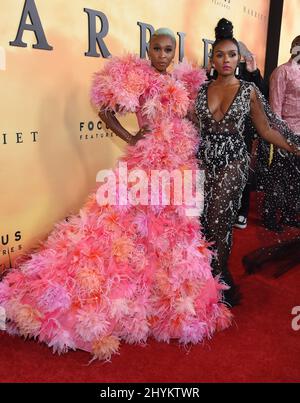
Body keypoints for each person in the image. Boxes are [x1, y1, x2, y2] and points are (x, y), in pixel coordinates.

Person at [0, 29, 232, 362]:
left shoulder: (186, 82)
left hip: (178, 167)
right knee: (126, 230)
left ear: (174, 51)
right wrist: (130, 136)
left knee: (173, 234)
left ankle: (161, 300)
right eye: (157, 48)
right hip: (145, 165)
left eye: (169, 49)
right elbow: (104, 108)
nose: (163, 54)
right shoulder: (134, 76)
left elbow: (191, 119)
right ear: (148, 49)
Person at [195, 19, 300, 306]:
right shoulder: (200, 91)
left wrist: (294, 147)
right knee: (201, 222)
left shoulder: (247, 91)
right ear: (212, 59)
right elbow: (190, 127)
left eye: (231, 54)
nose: (226, 60)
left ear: (239, 58)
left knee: (219, 220)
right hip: (202, 162)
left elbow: (266, 129)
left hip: (234, 161)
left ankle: (220, 279)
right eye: (220, 55)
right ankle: (200, 276)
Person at [262, 35, 300, 231]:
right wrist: (284, 137)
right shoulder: (281, 72)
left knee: (296, 179)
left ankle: (289, 214)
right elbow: (274, 110)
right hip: (284, 134)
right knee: (278, 177)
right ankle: (270, 217)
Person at [234, 44, 269, 230]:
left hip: (243, 132)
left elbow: (263, 96)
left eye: (234, 54)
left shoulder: (249, 73)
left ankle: (242, 211)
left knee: (242, 172)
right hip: (219, 132)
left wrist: (254, 72)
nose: (229, 59)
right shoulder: (215, 71)